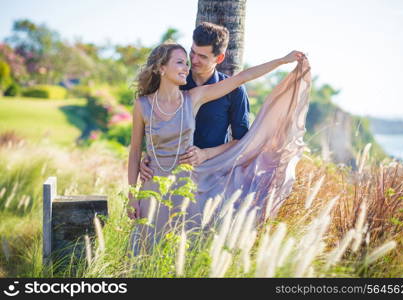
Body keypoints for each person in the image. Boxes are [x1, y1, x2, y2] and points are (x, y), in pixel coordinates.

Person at [127, 41, 311, 255]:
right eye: (180, 62)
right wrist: (132, 196)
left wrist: (282, 60)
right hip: (152, 186)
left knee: (182, 253)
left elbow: (242, 78)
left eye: (186, 63)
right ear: (161, 68)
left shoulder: (193, 98)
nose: (187, 67)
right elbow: (134, 151)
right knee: (144, 253)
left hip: (186, 187)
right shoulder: (143, 104)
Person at [139, 22, 250, 182]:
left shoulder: (235, 91)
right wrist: (148, 156)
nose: (194, 60)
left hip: (213, 178)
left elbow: (242, 142)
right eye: (193, 52)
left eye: (203, 56)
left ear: (219, 58)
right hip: (168, 177)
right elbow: (152, 123)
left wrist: (205, 154)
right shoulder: (173, 81)